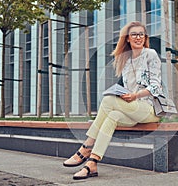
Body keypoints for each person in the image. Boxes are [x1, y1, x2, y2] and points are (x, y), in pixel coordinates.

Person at [63, 21, 163, 180]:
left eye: (141, 34)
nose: (138, 37)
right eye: (134, 34)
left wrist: (135, 96)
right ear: (128, 39)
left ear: (145, 37)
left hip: (149, 110)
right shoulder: (126, 61)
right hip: (131, 110)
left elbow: (157, 87)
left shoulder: (150, 54)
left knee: (109, 99)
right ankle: (92, 163)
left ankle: (86, 147)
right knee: (112, 116)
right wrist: (126, 95)